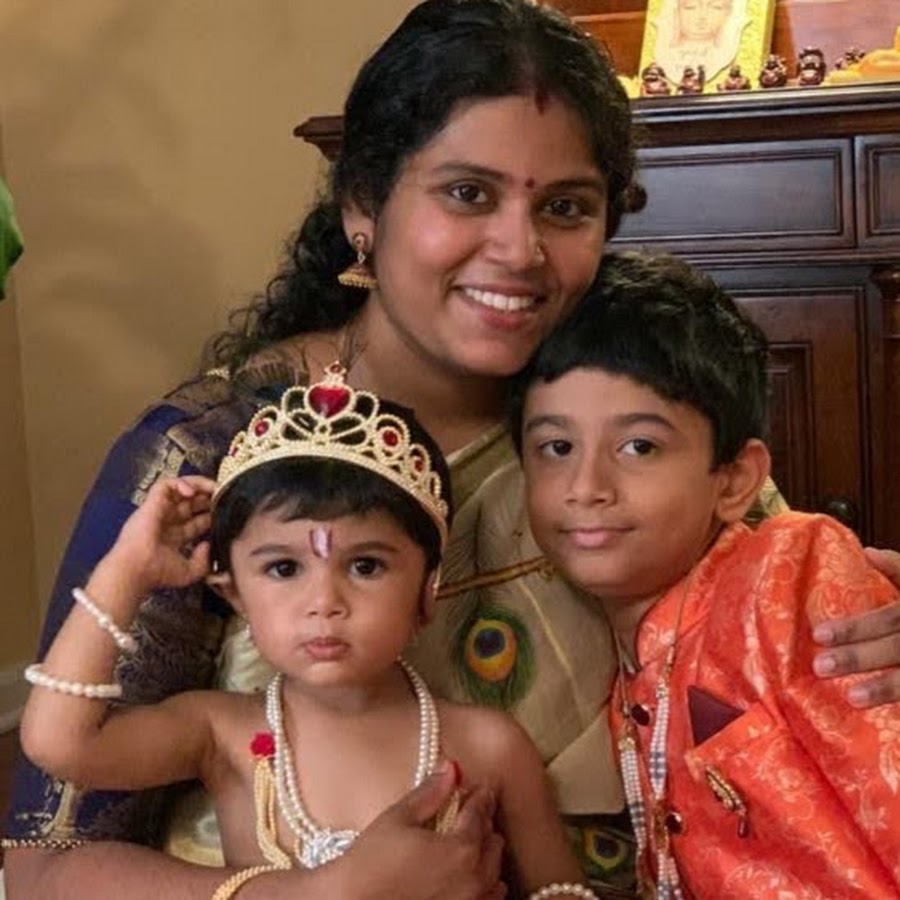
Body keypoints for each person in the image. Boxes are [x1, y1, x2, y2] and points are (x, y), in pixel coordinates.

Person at [5, 2, 900, 898]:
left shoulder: (621, 405)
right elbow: (42, 863)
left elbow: (789, 632)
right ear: (363, 206)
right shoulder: (212, 453)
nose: (519, 250)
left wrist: (872, 634)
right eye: (468, 193)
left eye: (565, 207)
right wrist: (317, 894)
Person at [20, 370, 595, 900]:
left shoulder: (489, 746)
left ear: (427, 592)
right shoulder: (222, 734)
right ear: (235, 595)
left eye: (365, 566)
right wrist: (126, 571)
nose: (324, 602)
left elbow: (561, 892)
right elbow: (60, 745)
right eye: (283, 568)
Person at [510, 252, 900, 898]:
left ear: (735, 480)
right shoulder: (626, 676)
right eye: (557, 448)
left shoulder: (787, 573)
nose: (586, 486)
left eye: (639, 446)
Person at [652, 0, 747, 84]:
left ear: (728, 12)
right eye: (690, 7)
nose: (702, 16)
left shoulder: (724, 54)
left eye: (716, 7)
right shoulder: (665, 54)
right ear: (676, 11)